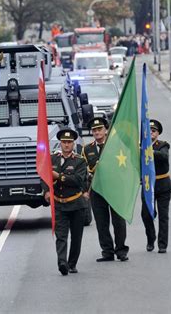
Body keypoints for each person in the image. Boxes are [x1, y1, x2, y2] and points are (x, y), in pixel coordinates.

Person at [82, 118, 129, 262]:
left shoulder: (115, 145)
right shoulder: (87, 149)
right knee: (102, 223)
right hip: (97, 189)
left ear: (106, 130)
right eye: (94, 130)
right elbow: (85, 171)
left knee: (118, 221)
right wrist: (85, 190)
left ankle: (121, 250)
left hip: (115, 188)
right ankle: (107, 251)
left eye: (99, 129)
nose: (96, 132)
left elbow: (124, 166)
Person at [42, 128, 88, 276]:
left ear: (73, 144)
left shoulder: (79, 161)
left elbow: (78, 180)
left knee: (76, 237)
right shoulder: (52, 159)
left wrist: (59, 176)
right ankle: (62, 262)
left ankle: (72, 263)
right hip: (59, 204)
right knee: (61, 236)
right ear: (60, 143)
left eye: (69, 142)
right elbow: (44, 176)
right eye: (64, 142)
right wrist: (46, 190)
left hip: (75, 204)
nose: (66, 145)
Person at [142, 120, 171, 253]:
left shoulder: (163, 145)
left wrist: (149, 151)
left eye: (153, 131)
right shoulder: (141, 146)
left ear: (158, 133)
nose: (151, 133)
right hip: (148, 185)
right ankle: (151, 238)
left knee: (163, 216)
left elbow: (164, 156)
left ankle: (162, 244)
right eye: (149, 131)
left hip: (163, 185)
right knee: (146, 214)